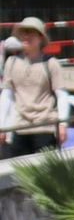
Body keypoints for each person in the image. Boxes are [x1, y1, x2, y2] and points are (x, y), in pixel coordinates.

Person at [2, 17, 64, 157]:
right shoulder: (11, 62)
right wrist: (2, 127)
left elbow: (62, 95)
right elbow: (6, 95)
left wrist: (62, 124)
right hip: (19, 127)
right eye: (23, 32)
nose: (26, 36)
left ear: (40, 38)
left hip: (45, 126)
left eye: (31, 32)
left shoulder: (51, 63)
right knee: (18, 174)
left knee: (45, 174)